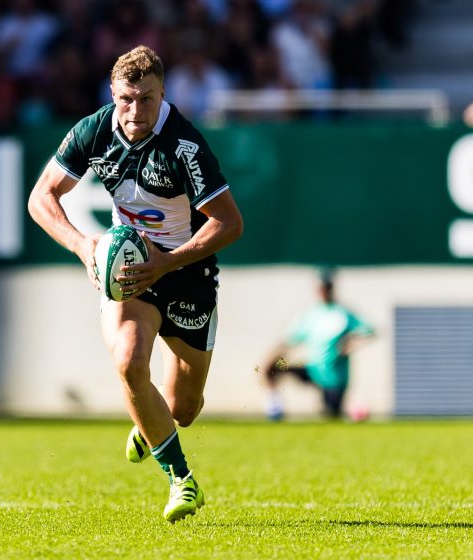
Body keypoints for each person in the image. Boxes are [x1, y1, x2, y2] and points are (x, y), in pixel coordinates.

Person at [27, 45, 243, 523]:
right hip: (128, 269)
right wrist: (85, 247)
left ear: (162, 94)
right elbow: (41, 197)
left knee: (184, 409)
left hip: (187, 272)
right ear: (113, 93)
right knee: (128, 363)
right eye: (126, 98)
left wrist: (167, 262)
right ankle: (181, 481)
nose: (134, 111)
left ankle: (151, 425)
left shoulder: (184, 144)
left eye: (146, 99)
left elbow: (229, 223)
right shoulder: (93, 131)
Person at [257, 269, 375, 421]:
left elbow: (370, 331)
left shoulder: (342, 314)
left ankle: (353, 412)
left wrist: (352, 343)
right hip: (313, 369)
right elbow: (289, 339)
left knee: (330, 416)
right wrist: (271, 357)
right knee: (274, 369)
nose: (324, 291)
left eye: (327, 287)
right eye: (321, 287)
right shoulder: (312, 314)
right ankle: (275, 408)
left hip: (334, 376)